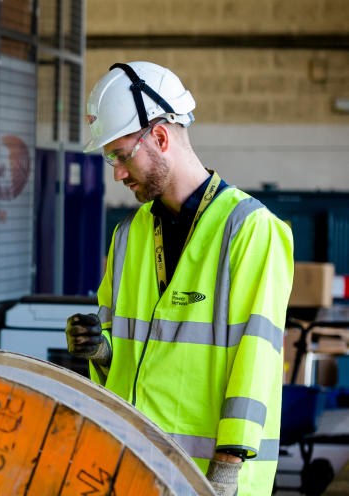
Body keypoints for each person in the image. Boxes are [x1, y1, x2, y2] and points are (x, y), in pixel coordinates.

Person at [64, 62, 293, 496]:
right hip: (134, 467)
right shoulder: (128, 235)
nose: (116, 172)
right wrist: (98, 349)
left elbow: (257, 361)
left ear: (161, 138)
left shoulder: (249, 229)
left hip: (213, 476)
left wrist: (227, 469)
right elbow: (132, 361)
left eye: (120, 155)